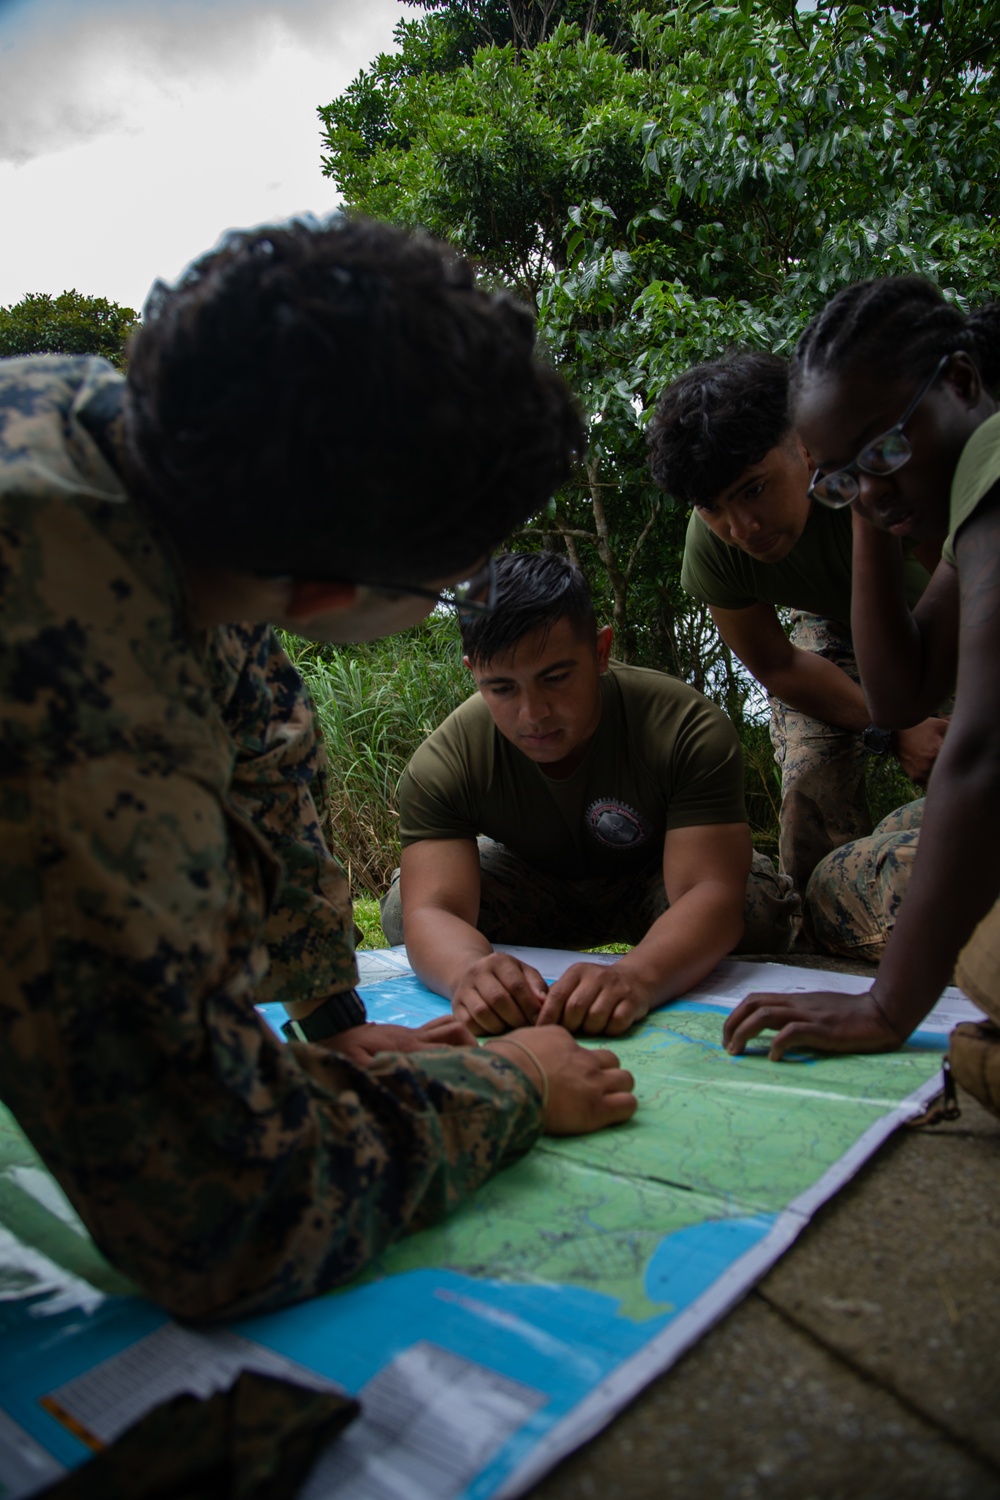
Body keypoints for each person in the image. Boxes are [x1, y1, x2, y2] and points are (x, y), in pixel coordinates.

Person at [0, 216, 639, 1324]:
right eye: (446, 585)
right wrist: (513, 1084)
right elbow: (223, 1215)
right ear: (335, 597)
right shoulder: (73, 702)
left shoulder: (112, 430)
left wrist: (330, 1012)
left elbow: (268, 734)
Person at [722, 275, 1000, 1110]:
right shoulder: (955, 500)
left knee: (982, 962)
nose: (875, 488)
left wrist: (886, 1007)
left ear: (960, 383)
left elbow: (982, 758)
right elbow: (900, 696)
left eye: (887, 449)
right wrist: (868, 502)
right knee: (848, 884)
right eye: (840, 478)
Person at [381, 551, 799, 1038]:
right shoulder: (446, 762)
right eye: (501, 688)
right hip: (535, 885)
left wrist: (636, 978)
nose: (532, 713)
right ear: (474, 672)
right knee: (401, 912)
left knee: (752, 908)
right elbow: (435, 910)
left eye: (555, 678)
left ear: (600, 651)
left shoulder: (684, 727)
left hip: (656, 876)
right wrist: (469, 974)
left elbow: (708, 893)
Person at [647, 351, 949, 901]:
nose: (741, 527)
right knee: (808, 785)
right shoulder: (713, 548)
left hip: (942, 617)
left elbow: (977, 601)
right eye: (712, 507)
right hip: (828, 632)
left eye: (754, 489)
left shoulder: (892, 472)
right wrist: (896, 730)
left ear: (805, 443)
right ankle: (819, 925)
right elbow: (778, 663)